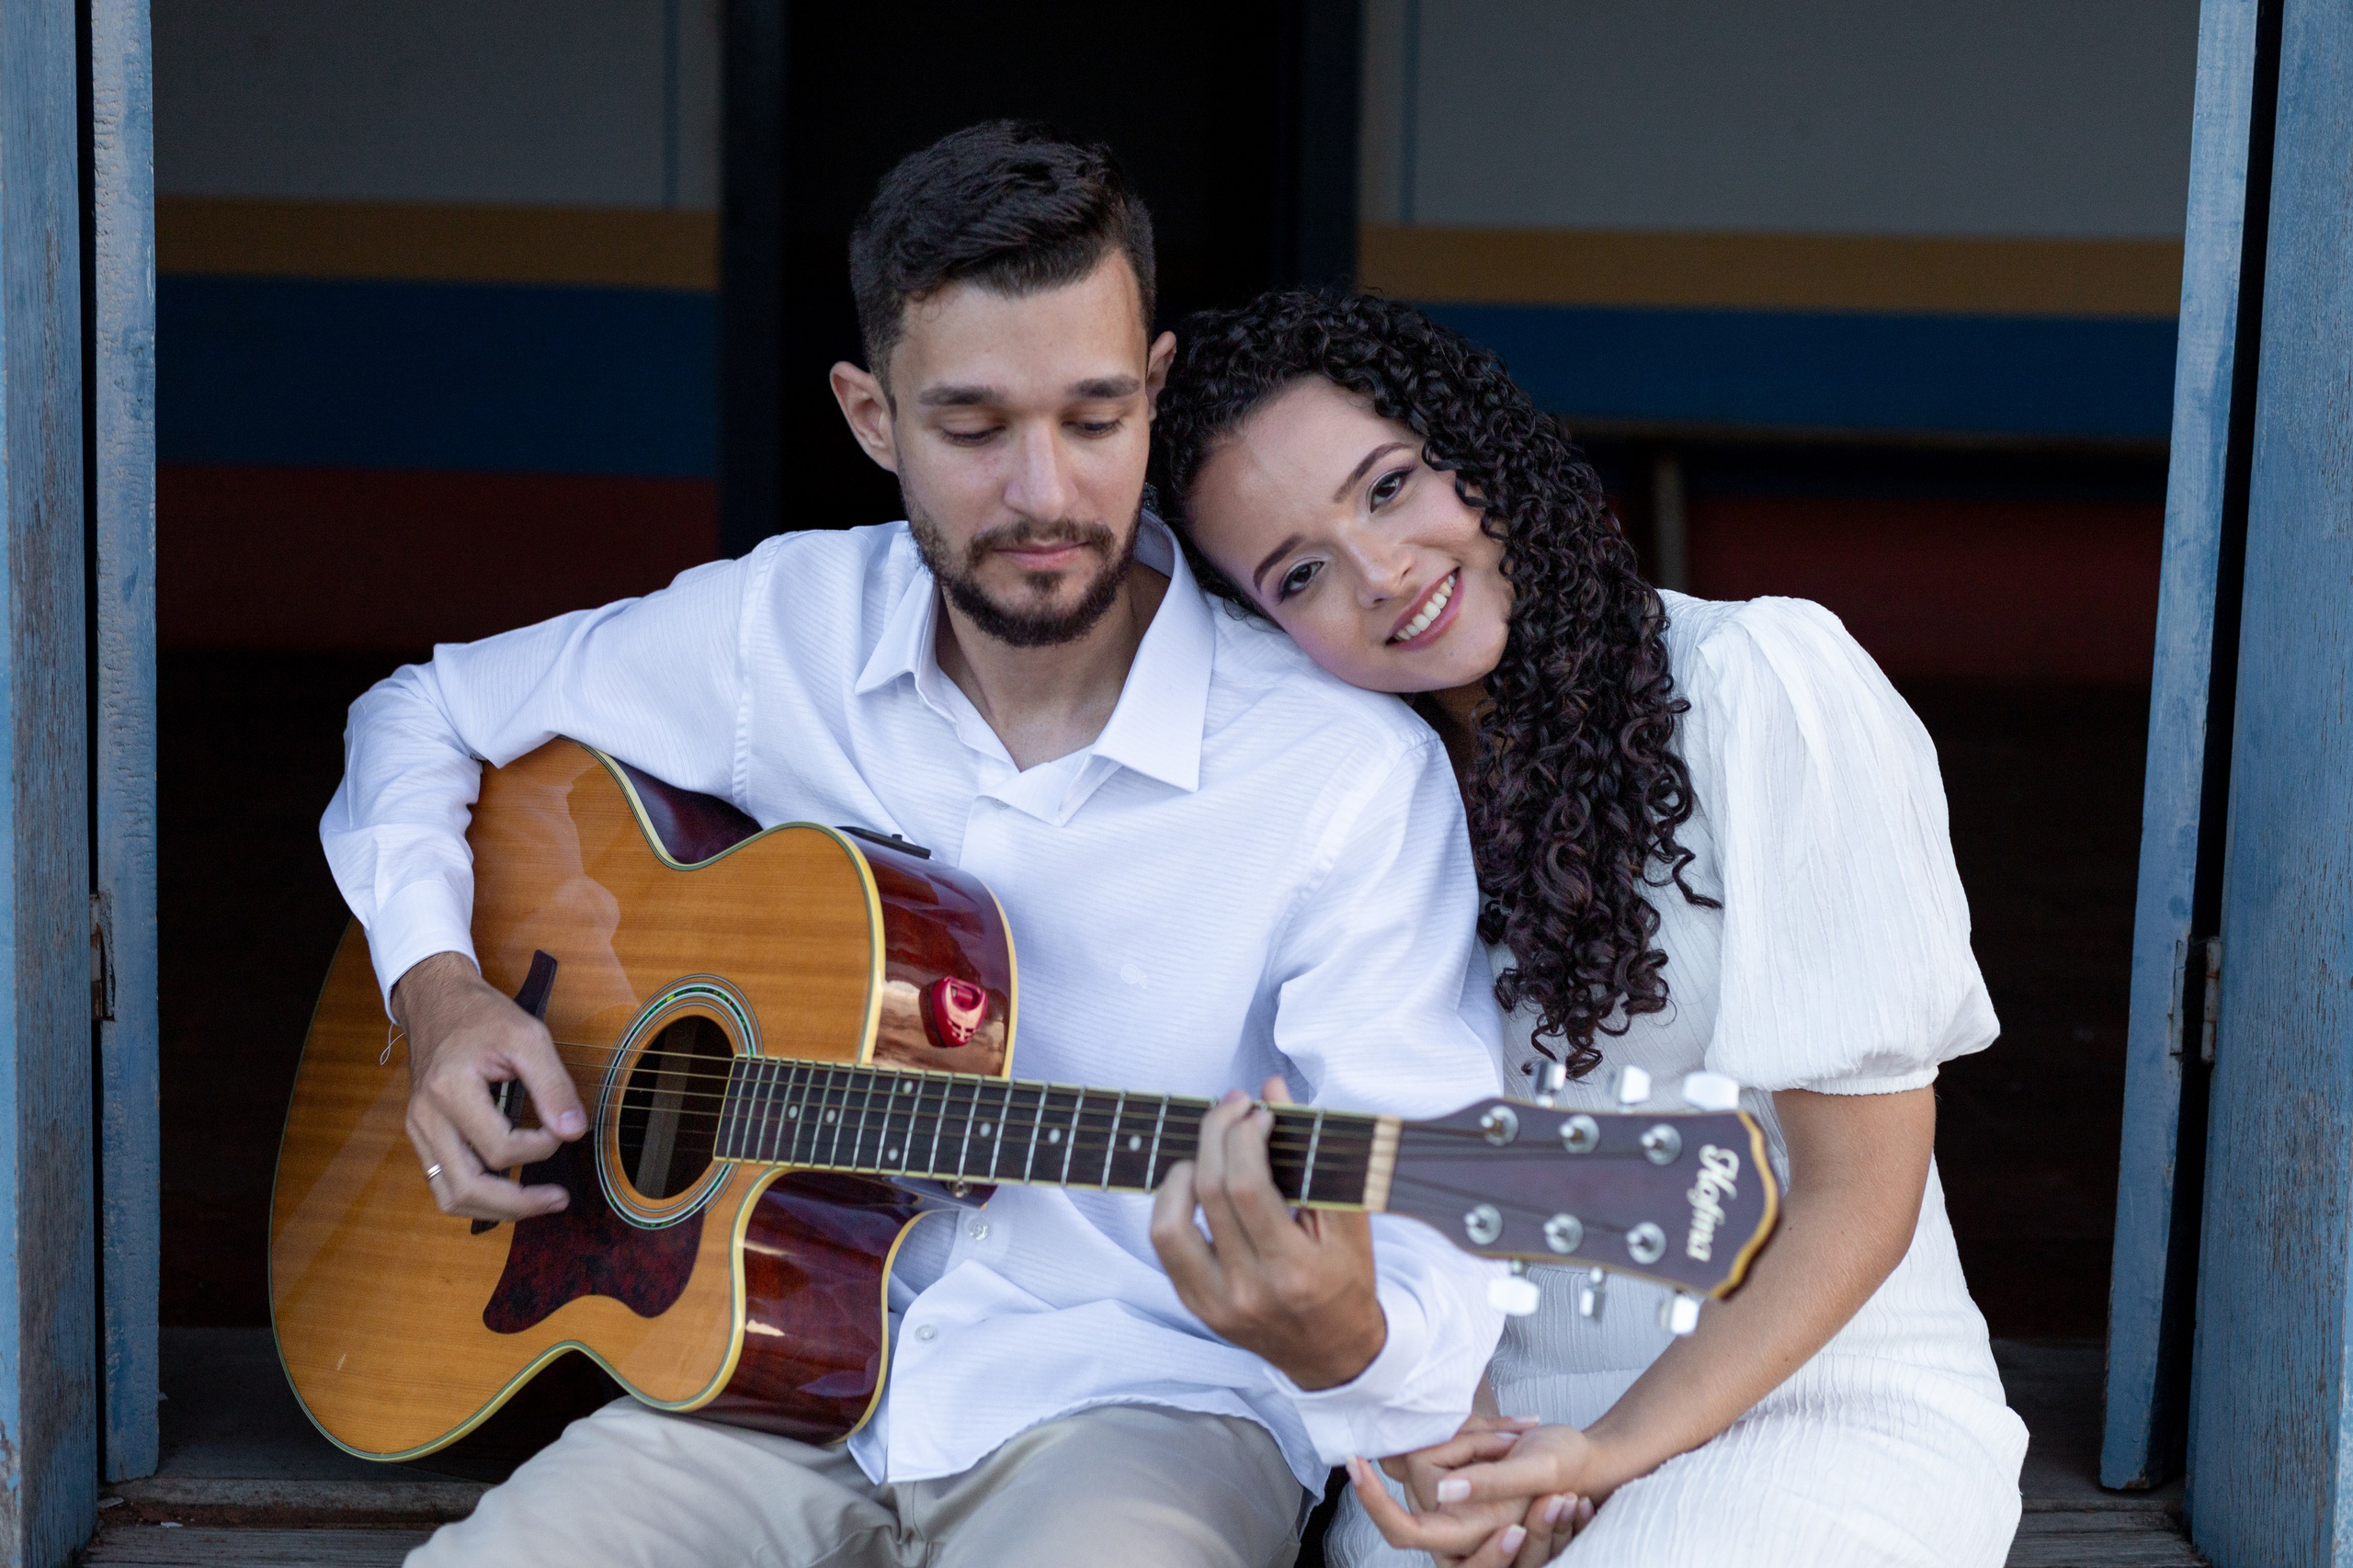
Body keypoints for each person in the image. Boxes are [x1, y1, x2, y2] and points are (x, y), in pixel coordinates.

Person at [321, 127, 1509, 1568]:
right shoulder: (783, 632)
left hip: (1137, 1417)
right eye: (972, 427)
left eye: (1093, 418)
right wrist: (440, 991)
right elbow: (427, 711)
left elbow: (1439, 1230)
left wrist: (1354, 1335)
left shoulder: (1339, 776)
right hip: (737, 1403)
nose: (1044, 495)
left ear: (1156, 389)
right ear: (871, 415)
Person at [1152, 290, 2030, 1568]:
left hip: (1814, 1411)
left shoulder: (1759, 686)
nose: (1381, 573)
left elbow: (1863, 1193)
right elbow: (1367, 1209)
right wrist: (1449, 1442)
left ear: (1475, 444)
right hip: (1483, 1434)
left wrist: (1610, 1449)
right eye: (1300, 572)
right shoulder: (1344, 819)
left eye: (1389, 487)